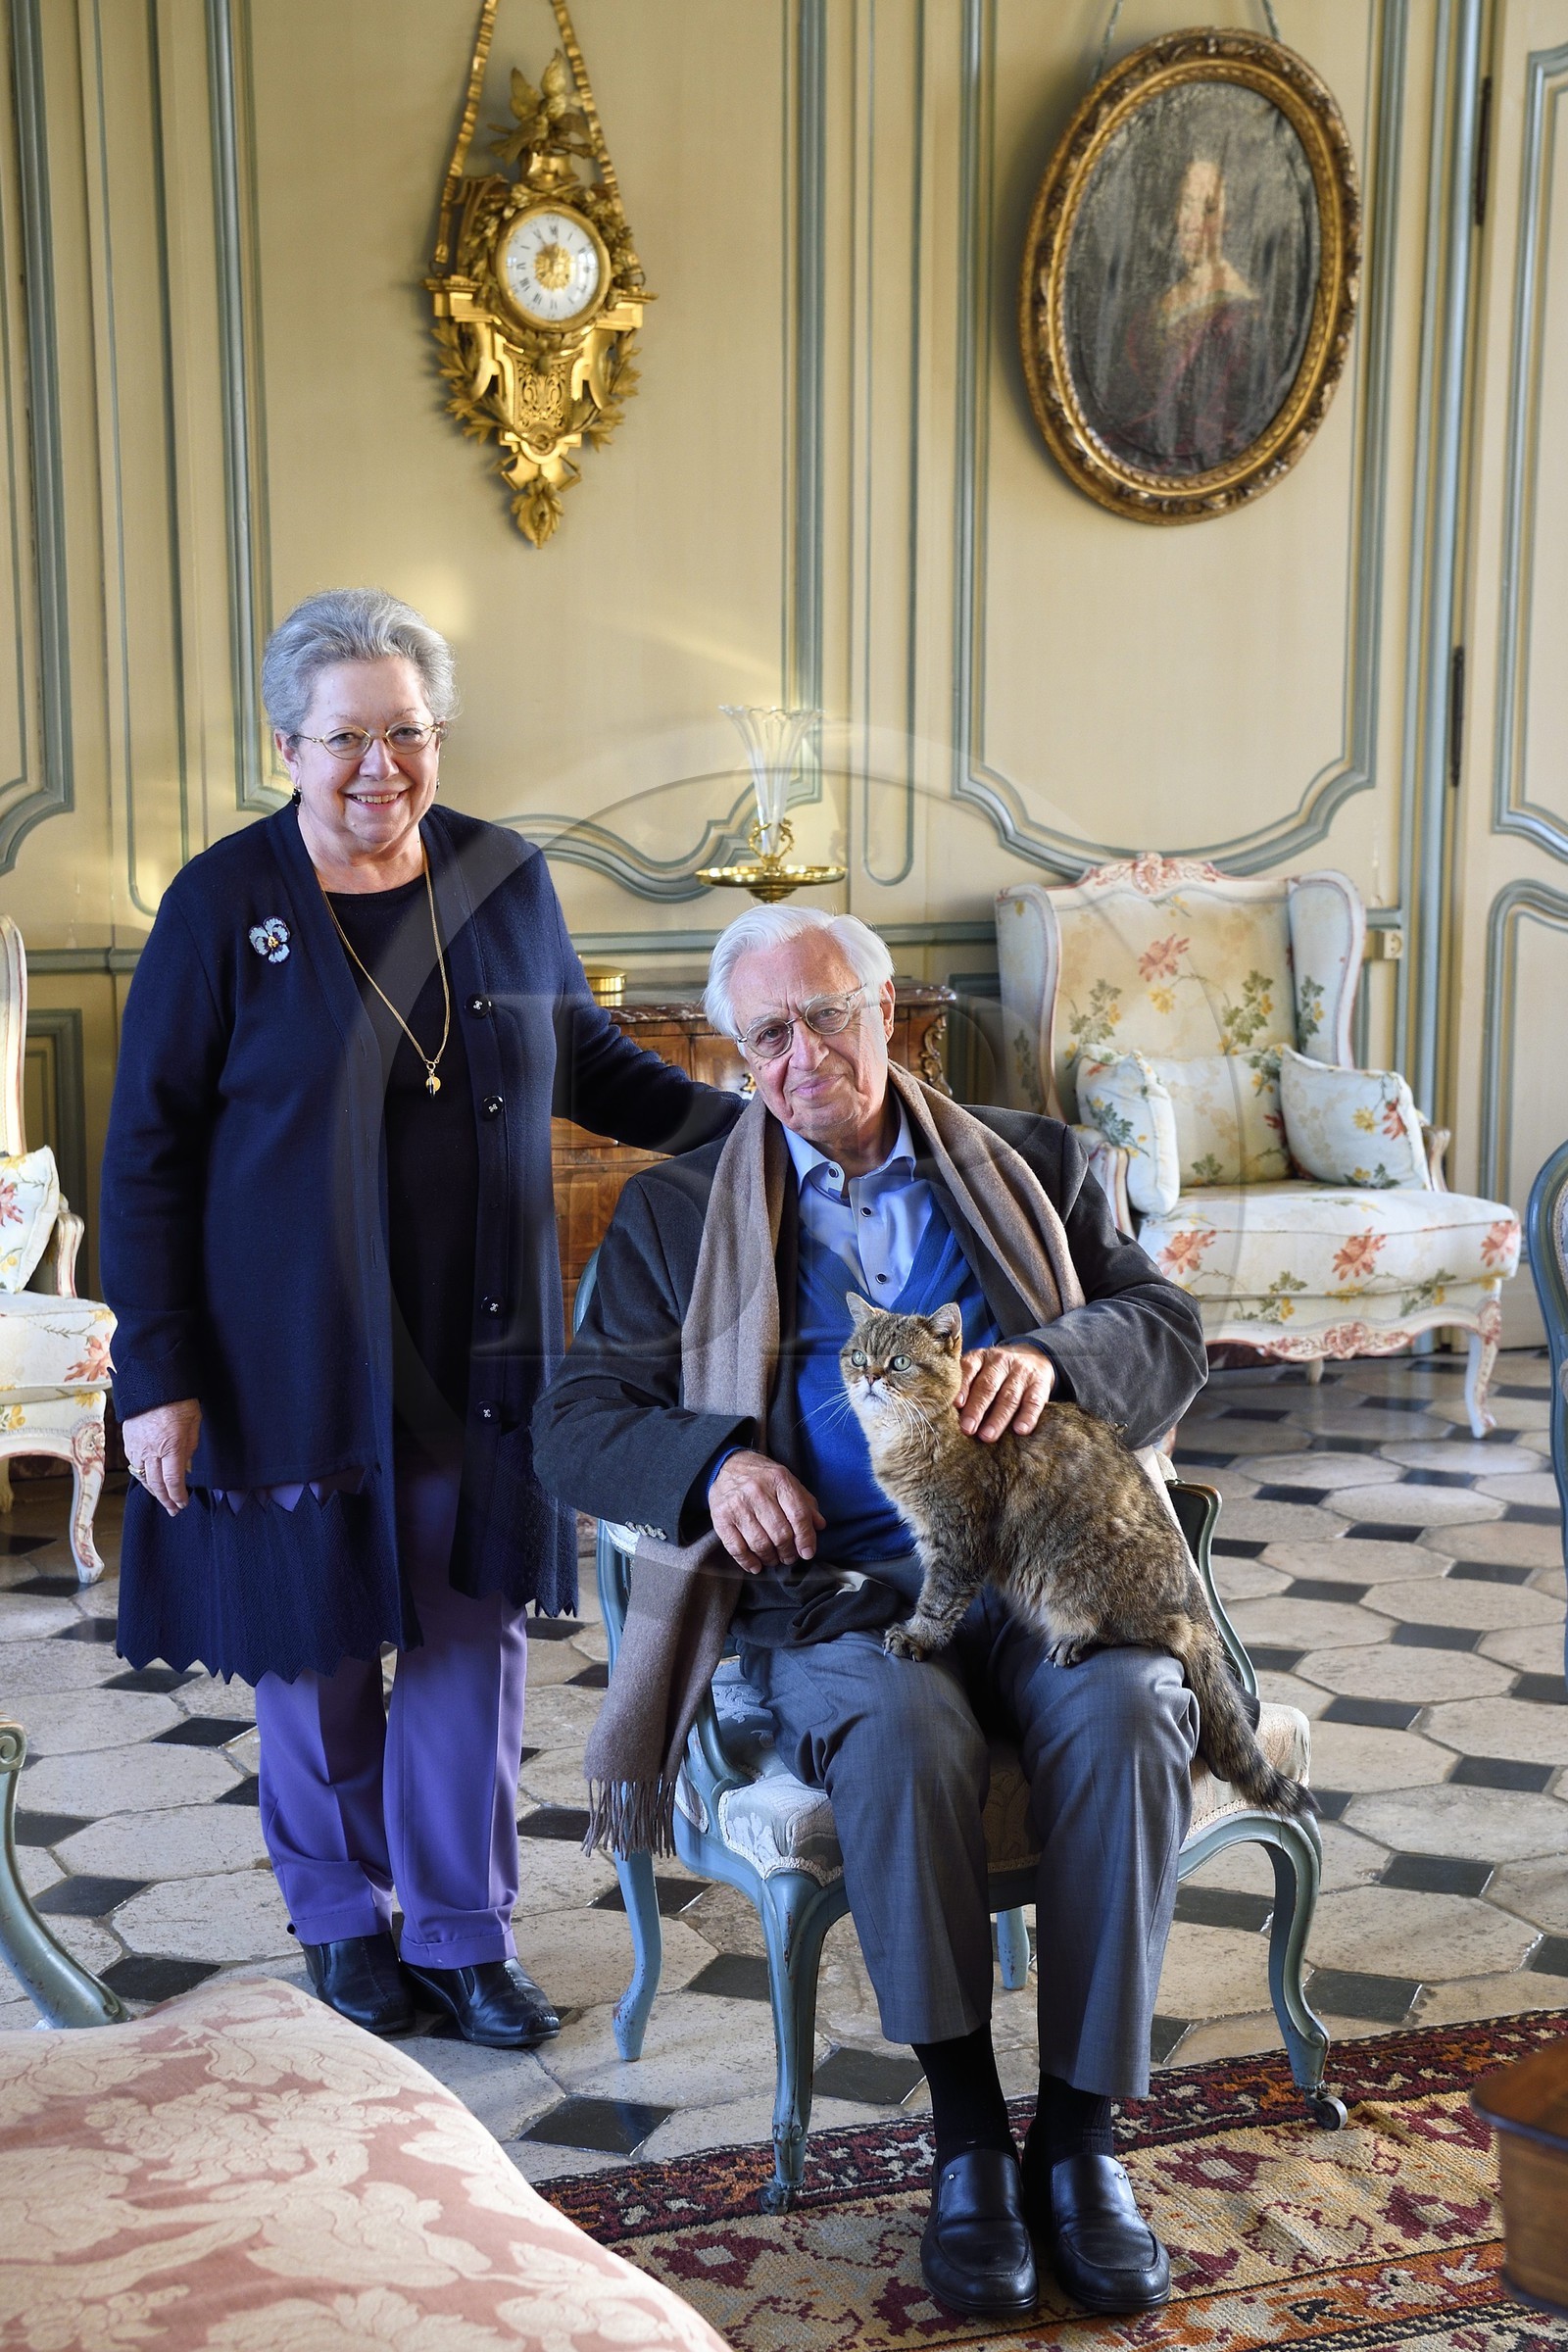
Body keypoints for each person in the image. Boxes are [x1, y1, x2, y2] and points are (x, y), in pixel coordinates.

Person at [533, 905, 1207, 2322]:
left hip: (1044, 1576)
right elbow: (576, 1424)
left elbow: (1165, 1328)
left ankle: (1081, 2142)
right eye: (766, 1034)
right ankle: (970, 2139)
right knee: (899, 1727)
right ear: (738, 1053)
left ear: (885, 1011)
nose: (801, 1056)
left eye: (826, 1015)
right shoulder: (677, 1211)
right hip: (833, 1602)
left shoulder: (1035, 1162)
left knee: (1139, 1704)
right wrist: (715, 1464)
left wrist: (1054, 1356)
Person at [100, 587, 740, 2050]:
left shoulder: (504, 878)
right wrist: (158, 1372)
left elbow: (583, 1053)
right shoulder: (220, 903)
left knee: (472, 1638)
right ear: (286, 747)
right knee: (317, 1643)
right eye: (346, 738)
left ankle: (462, 1934)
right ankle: (340, 1923)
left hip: (482, 1353)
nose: (379, 766)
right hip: (286, 1359)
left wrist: (748, 1129)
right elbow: (146, 1155)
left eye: (408, 732)